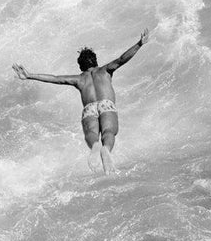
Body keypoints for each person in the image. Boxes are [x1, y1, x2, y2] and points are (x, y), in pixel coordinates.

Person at [12, 29, 149, 174]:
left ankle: (95, 146)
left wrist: (30, 75)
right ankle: (106, 149)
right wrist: (139, 44)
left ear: (80, 66)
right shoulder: (105, 70)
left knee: (91, 133)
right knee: (109, 131)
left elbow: (56, 78)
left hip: (89, 109)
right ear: (95, 61)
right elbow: (122, 59)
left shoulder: (79, 79)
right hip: (106, 104)